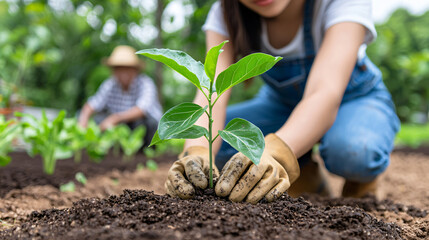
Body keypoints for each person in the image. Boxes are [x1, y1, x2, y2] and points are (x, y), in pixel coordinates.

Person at [165, 0, 400, 204]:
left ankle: (362, 190)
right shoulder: (225, 13)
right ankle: (308, 183)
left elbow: (325, 92)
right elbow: (212, 90)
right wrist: (195, 152)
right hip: (281, 105)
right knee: (223, 144)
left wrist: (276, 154)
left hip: (354, 100)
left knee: (355, 151)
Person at [78, 45, 162, 146]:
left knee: (145, 124)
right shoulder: (110, 84)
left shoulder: (146, 83)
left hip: (141, 124)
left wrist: (114, 118)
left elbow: (141, 110)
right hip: (121, 124)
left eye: (127, 68)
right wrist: (83, 122)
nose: (123, 73)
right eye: (119, 68)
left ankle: (147, 149)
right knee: (96, 120)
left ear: (135, 70)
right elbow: (91, 105)